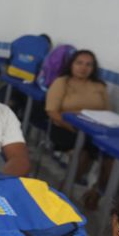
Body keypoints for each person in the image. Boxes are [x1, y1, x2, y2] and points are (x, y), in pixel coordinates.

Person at [45, 49, 112, 209]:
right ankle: (58, 197)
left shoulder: (99, 86)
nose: (83, 68)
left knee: (112, 160)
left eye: (89, 64)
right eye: (79, 63)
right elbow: (52, 112)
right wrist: (75, 128)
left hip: (93, 132)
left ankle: (95, 193)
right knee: (83, 154)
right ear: (71, 64)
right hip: (65, 129)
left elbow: (107, 113)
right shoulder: (62, 82)